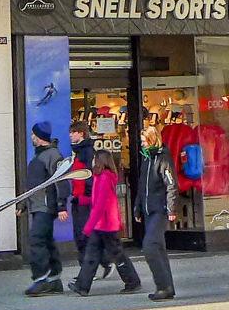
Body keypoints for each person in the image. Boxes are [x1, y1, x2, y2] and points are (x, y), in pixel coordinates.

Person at [68, 151, 140, 296]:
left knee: (116, 254)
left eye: (95, 159)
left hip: (106, 224)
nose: (93, 162)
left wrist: (87, 227)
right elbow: (97, 200)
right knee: (92, 254)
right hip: (103, 224)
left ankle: (132, 281)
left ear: (100, 161)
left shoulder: (104, 178)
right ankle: (82, 286)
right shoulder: (101, 177)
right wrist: (82, 200)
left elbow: (100, 205)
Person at [21, 122, 67, 297]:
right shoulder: (40, 156)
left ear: (39, 138)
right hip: (38, 205)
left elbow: (61, 180)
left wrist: (62, 205)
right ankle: (55, 279)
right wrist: (24, 204)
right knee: (47, 240)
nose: (31, 137)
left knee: (36, 239)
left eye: (33, 135)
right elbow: (33, 186)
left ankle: (40, 279)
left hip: (46, 206)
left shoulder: (52, 156)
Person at [134, 125, 177, 300]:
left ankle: (162, 286)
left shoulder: (162, 159)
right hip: (148, 209)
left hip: (159, 209)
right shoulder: (146, 159)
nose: (142, 144)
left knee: (150, 246)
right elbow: (141, 186)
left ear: (152, 140)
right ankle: (167, 286)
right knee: (158, 248)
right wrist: (137, 207)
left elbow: (171, 184)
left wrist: (171, 208)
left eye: (144, 141)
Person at [66, 120, 95, 264]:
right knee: (80, 233)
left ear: (81, 133)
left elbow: (88, 175)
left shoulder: (86, 152)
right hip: (78, 197)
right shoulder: (78, 151)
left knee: (84, 233)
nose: (70, 135)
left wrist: (87, 195)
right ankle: (92, 264)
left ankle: (89, 266)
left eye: (73, 132)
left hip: (84, 198)